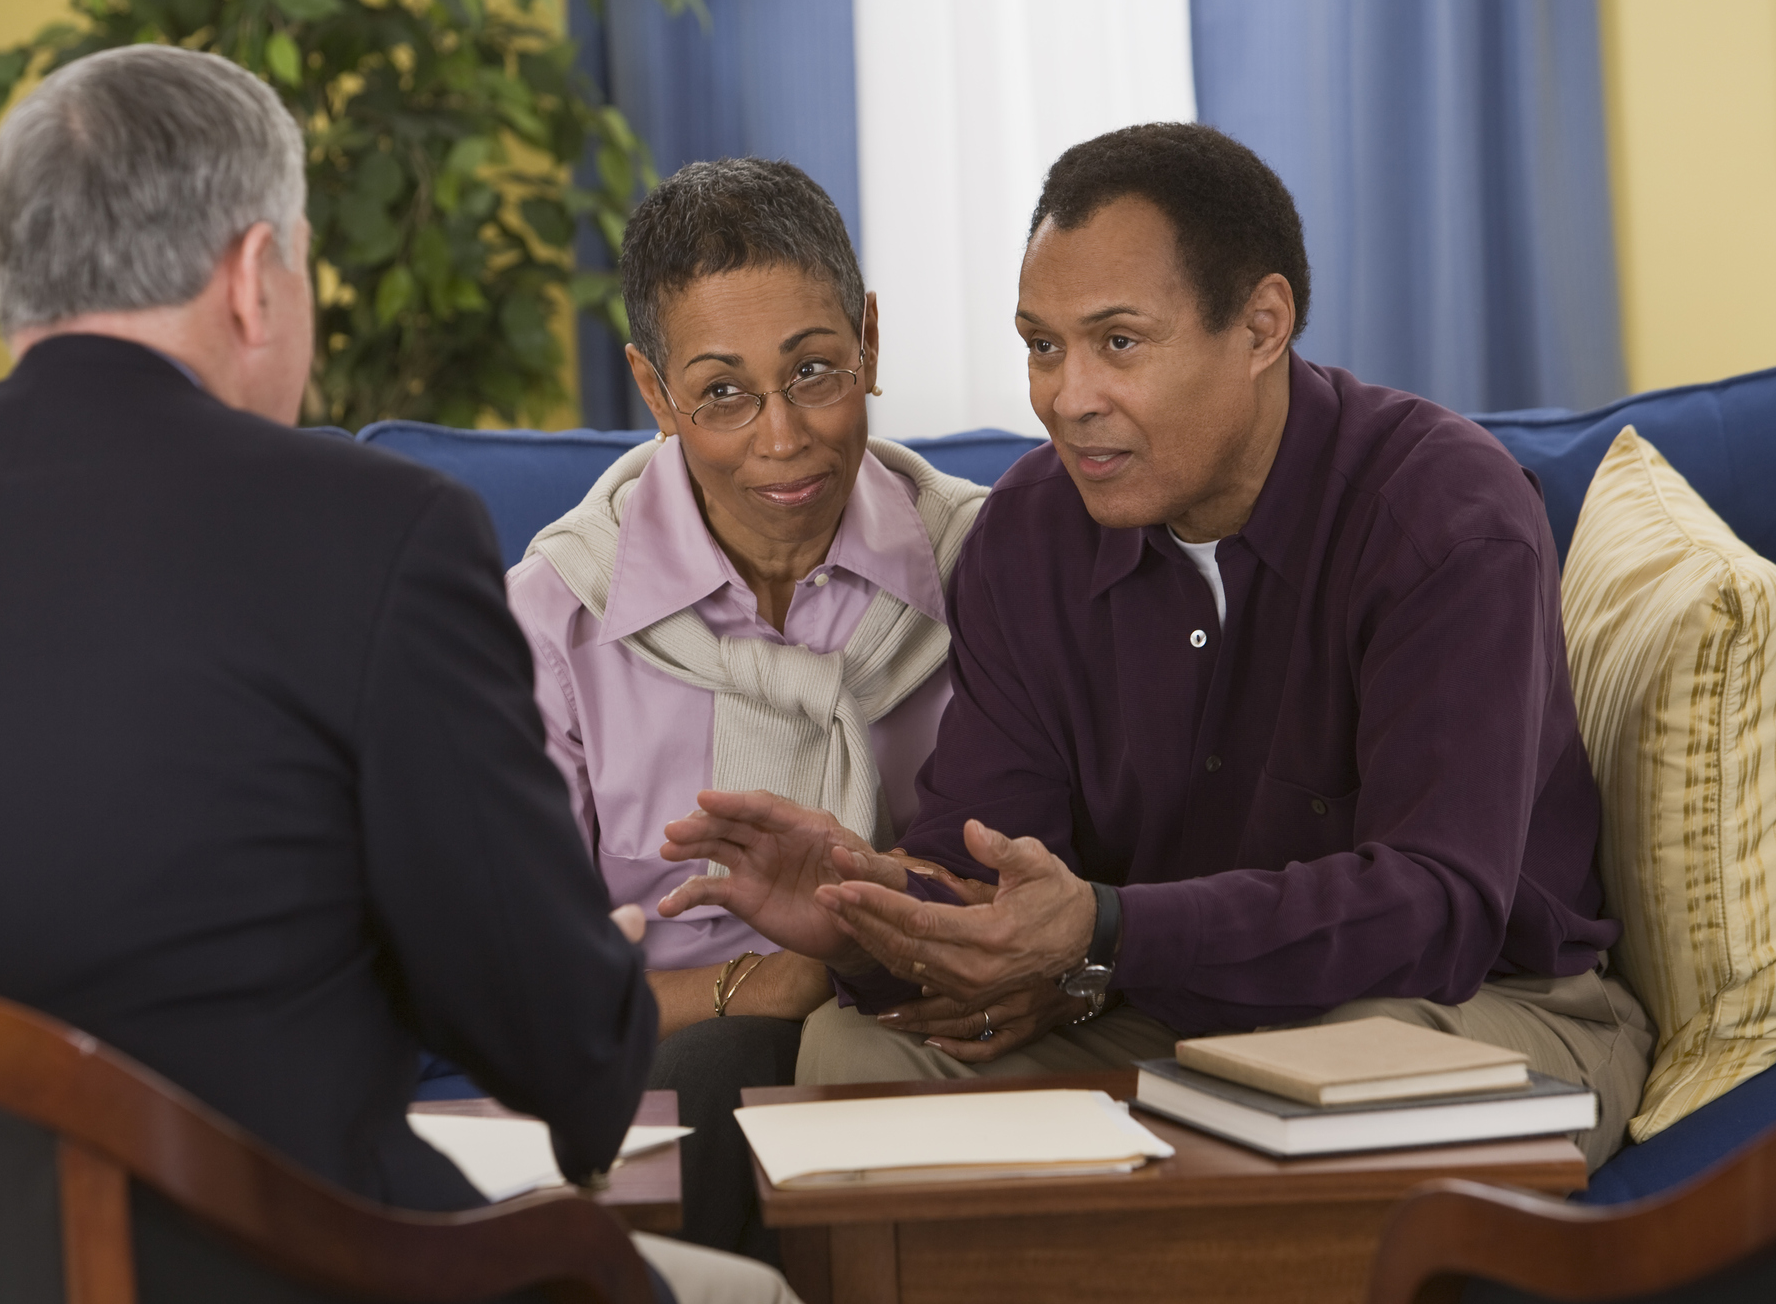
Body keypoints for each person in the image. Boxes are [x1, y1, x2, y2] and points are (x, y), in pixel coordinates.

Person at [0, 44, 794, 1303]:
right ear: (258, 276)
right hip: (265, 1269)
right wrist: (594, 980)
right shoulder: (376, 536)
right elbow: (563, 1051)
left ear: (16, 281)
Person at [657, 122, 1654, 1172]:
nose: (1066, 396)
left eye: (1118, 342)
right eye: (1042, 345)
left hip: (1467, 1006)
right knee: (854, 1051)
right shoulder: (1027, 537)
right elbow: (989, 881)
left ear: (1263, 324)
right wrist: (865, 906)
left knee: (1316, 1091)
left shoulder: (1445, 511)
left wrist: (1106, 928)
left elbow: (1440, 909)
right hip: (1154, 1009)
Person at [508, 158, 986, 1258]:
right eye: (723, 391)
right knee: (718, 1078)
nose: (783, 437)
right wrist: (770, 983)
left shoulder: (986, 567)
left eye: (815, 369)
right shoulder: (555, 623)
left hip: (939, 1017)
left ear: (869, 337)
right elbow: (525, 990)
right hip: (689, 1060)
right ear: (655, 389)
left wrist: (864, 965)